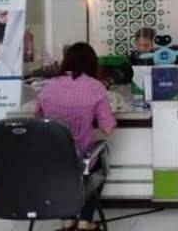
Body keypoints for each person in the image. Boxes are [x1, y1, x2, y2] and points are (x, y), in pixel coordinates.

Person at [35, 42, 116, 231]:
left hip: (50, 159)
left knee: (63, 169)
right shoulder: (96, 87)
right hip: (81, 158)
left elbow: (38, 121)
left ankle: (67, 220)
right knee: (100, 156)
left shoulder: (48, 87)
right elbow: (108, 129)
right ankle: (84, 221)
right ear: (92, 63)